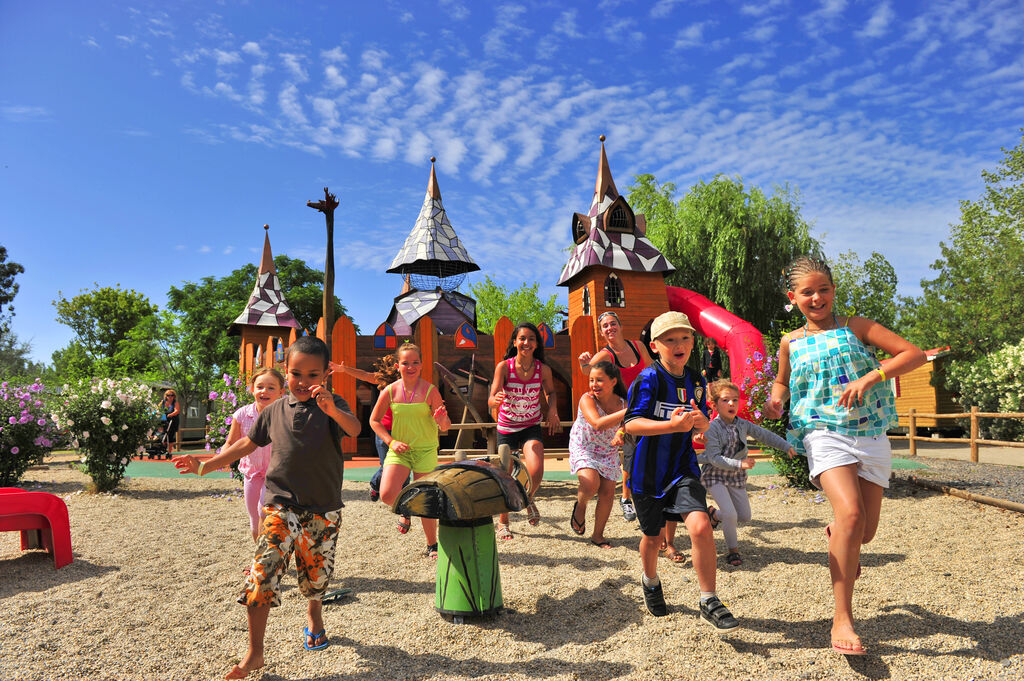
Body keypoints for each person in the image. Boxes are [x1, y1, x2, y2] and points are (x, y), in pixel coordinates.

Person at [173, 336, 361, 679]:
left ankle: (314, 613)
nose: (303, 382)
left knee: (316, 578)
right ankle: (255, 653)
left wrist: (332, 409)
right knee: (262, 571)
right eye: (296, 374)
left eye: (313, 374)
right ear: (286, 372)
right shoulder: (274, 410)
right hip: (280, 504)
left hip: (323, 509)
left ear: (325, 376)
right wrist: (205, 465)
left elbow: (354, 429)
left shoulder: (335, 405)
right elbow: (246, 443)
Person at [765, 256, 925, 655]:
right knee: (851, 514)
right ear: (793, 298)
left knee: (863, 533)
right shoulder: (791, 342)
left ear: (833, 290)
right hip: (823, 431)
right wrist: (775, 400)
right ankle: (842, 618)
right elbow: (783, 381)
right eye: (807, 292)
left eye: (823, 289)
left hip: (869, 432)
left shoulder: (857, 327)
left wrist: (872, 375)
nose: (816, 297)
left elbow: (914, 354)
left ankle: (839, 538)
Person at [622, 311, 738, 630]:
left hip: (682, 468)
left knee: (700, 526)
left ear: (692, 342)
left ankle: (709, 599)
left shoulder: (697, 381)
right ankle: (649, 580)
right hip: (647, 473)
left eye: (685, 337)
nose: (679, 344)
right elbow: (631, 423)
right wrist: (669, 424)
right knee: (652, 536)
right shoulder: (648, 379)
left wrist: (701, 425)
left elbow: (701, 420)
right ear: (656, 346)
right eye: (670, 339)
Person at [699, 379, 796, 567]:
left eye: (735, 400)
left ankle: (713, 515)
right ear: (715, 404)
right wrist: (740, 463)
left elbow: (764, 435)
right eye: (726, 400)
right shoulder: (712, 428)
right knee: (730, 514)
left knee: (744, 516)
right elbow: (714, 459)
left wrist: (786, 446)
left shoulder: (743, 424)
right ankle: (732, 551)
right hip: (715, 475)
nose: (731, 404)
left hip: (735, 476)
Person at [369, 342, 450, 558]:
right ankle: (407, 509)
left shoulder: (431, 391)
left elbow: (445, 426)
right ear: (398, 366)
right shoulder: (390, 390)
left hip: (425, 450)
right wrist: (391, 441)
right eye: (406, 363)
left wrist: (442, 419)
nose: (411, 366)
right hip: (400, 449)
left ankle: (432, 544)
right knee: (386, 494)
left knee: (427, 499)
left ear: (421, 365)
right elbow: (374, 421)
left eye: (415, 362)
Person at [488, 322, 562, 540]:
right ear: (515, 342)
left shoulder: (543, 369)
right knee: (506, 474)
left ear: (537, 344)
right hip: (508, 427)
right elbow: (491, 398)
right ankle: (503, 522)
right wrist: (496, 399)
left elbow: (551, 392)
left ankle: (527, 498)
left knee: (536, 470)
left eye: (531, 339)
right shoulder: (504, 367)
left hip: (531, 425)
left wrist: (553, 410)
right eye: (522, 338)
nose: (526, 342)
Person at [577, 311, 651, 522]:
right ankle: (626, 498)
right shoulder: (605, 354)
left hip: (644, 405)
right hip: (624, 411)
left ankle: (650, 495)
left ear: (620, 325)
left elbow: (651, 369)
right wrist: (584, 363)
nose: (610, 328)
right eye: (605, 326)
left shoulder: (638, 346)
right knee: (630, 453)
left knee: (648, 451)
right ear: (601, 333)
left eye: (612, 324)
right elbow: (588, 372)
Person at [568, 360, 627, 549]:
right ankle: (581, 505)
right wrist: (628, 411)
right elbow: (598, 424)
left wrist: (620, 432)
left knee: (608, 491)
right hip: (584, 445)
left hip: (608, 449)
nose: (594, 384)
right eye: (591, 380)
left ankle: (598, 535)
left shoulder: (623, 403)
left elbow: (628, 424)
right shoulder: (587, 399)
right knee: (590, 483)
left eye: (599, 380)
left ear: (613, 381)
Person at [222, 368, 286, 543]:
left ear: (282, 392)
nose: (264, 391)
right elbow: (231, 441)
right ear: (252, 390)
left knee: (263, 511)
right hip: (251, 472)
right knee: (254, 518)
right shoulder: (242, 415)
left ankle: (269, 556)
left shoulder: (285, 412)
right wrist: (221, 457)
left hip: (275, 474)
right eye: (260, 387)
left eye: (271, 388)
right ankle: (259, 558)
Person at [330, 355, 401, 503]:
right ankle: (375, 485)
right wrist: (344, 369)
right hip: (383, 430)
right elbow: (364, 375)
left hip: (402, 430)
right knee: (386, 465)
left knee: (401, 465)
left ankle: (400, 496)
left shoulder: (410, 385)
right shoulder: (385, 381)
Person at [161, 390, 181, 454]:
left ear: (174, 396)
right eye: (168, 395)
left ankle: (169, 451)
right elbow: (157, 409)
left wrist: (171, 414)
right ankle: (163, 447)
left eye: (172, 395)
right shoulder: (162, 402)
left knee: (170, 435)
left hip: (172, 420)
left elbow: (177, 411)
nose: (170, 397)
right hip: (164, 419)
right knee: (162, 434)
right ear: (166, 396)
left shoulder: (175, 403)